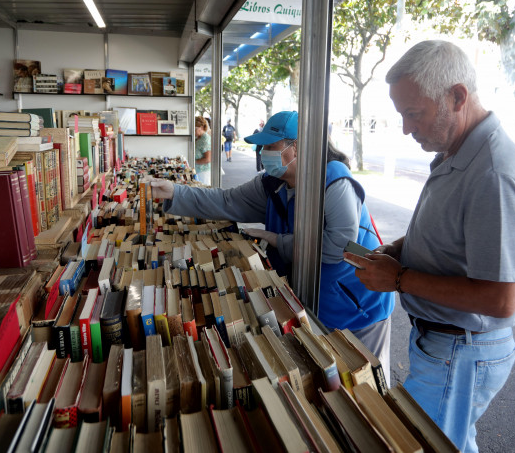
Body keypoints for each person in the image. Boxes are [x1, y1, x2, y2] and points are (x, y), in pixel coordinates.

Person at [344, 40, 515, 453]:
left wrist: (399, 278)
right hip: (448, 346)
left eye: (414, 114)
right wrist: (399, 250)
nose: (407, 128)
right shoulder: (458, 150)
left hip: (461, 350)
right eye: (401, 115)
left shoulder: (493, 172)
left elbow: (502, 299)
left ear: (458, 96)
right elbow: (449, 240)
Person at [150, 111, 394, 371]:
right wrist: (174, 192)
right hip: (309, 302)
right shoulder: (271, 184)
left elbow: (337, 246)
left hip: (358, 307)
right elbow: (225, 201)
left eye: (270, 146)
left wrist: (277, 241)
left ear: (298, 146)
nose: (263, 152)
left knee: (365, 384)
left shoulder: (335, 179)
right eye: (262, 146)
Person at [194, 116, 211, 185]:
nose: (193, 131)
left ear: (201, 127)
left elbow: (208, 159)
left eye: (195, 129)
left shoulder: (205, 139)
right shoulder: (198, 138)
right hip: (198, 171)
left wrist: (194, 162)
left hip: (203, 173)